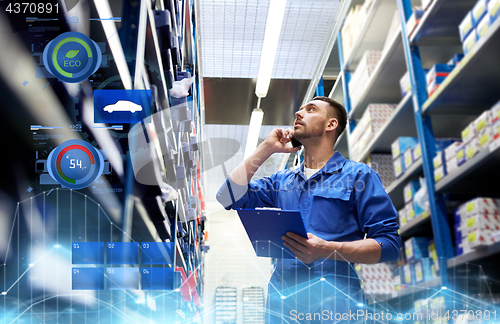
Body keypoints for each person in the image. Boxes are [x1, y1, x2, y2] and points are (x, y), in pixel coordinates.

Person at [216, 96, 401, 323]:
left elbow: (389, 245)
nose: (298, 113)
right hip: (282, 308)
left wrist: (328, 249)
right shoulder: (281, 181)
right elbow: (227, 197)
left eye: (311, 109)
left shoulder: (359, 176)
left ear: (330, 125)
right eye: (300, 109)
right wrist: (266, 148)